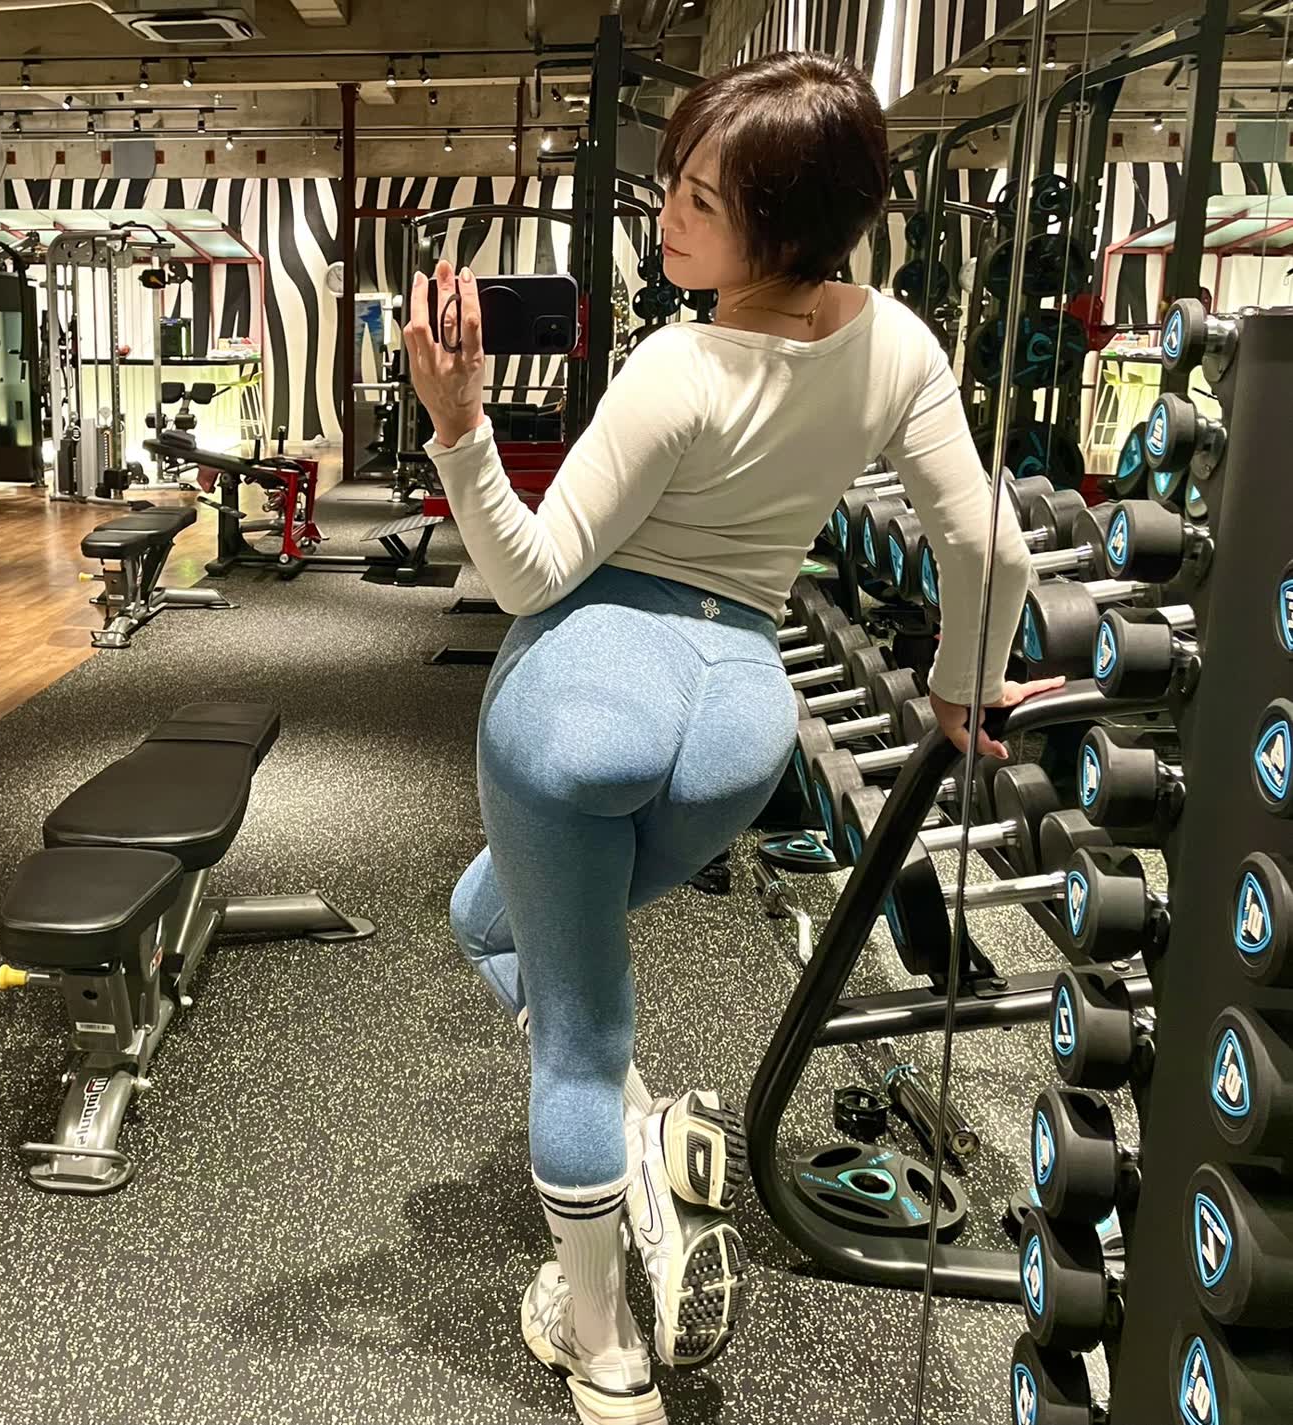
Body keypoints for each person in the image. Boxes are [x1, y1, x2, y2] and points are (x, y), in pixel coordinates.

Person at [403, 52, 1045, 1425]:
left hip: (580, 702)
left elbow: (526, 573)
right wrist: (961, 688)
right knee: (487, 917)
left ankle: (602, 1342)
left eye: (703, 201)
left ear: (786, 229)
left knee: (577, 1032)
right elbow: (989, 543)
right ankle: (641, 1135)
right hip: (738, 729)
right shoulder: (900, 343)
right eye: (672, 185)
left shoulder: (678, 364)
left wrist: (459, 426)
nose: (669, 217)